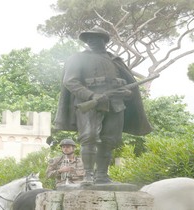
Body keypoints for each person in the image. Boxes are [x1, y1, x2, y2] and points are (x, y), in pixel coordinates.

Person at [55, 26, 152, 185]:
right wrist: (92, 95)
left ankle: (102, 176)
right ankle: (87, 176)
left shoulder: (115, 60)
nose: (92, 40)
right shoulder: (78, 58)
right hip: (90, 104)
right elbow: (70, 81)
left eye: (97, 37)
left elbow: (129, 86)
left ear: (104, 40)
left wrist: (125, 94)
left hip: (115, 104)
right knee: (89, 136)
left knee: (110, 140)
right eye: (89, 38)